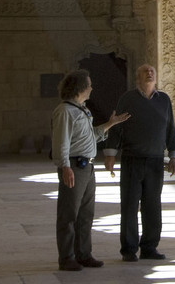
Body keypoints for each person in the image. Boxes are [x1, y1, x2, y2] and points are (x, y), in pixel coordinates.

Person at [51, 69, 129, 272]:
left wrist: (110, 124)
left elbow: (90, 136)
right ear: (80, 88)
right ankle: (66, 258)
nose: (92, 88)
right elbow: (61, 142)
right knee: (69, 215)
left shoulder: (81, 110)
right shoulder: (65, 111)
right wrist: (65, 166)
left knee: (86, 214)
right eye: (89, 84)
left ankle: (84, 254)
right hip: (74, 167)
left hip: (87, 166)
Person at [108, 64, 175, 261]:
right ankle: (129, 249)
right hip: (132, 159)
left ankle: (149, 247)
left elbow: (170, 127)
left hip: (156, 160)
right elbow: (116, 126)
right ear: (137, 78)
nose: (149, 73)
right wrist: (110, 153)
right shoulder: (127, 99)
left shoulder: (163, 100)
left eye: (152, 72)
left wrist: (174, 154)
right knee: (130, 205)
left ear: (156, 77)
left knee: (152, 205)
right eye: (144, 72)